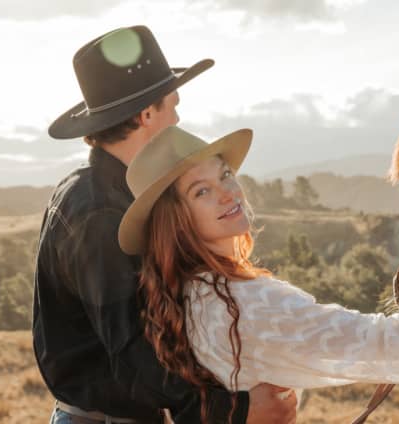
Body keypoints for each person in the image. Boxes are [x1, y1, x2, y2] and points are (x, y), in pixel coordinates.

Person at [116, 125, 399, 415]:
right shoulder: (244, 302)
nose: (228, 192)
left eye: (225, 175)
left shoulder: (190, 293)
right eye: (202, 191)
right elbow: (382, 343)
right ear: (178, 221)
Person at [33, 26, 296, 424]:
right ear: (147, 114)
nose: (177, 117)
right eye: (172, 105)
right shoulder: (97, 213)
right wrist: (233, 411)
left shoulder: (125, 194)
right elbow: (131, 349)